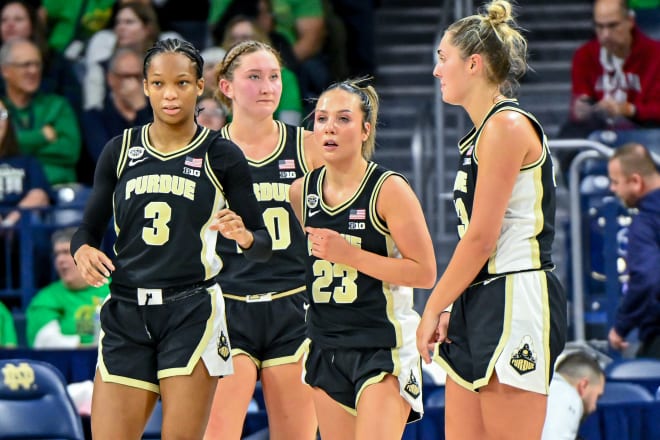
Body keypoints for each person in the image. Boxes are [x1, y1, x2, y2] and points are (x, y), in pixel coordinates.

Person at [70, 38, 272, 439]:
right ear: (146, 86)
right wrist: (82, 251)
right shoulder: (120, 150)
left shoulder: (221, 154)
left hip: (191, 310)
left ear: (200, 87)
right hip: (126, 310)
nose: (170, 94)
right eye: (159, 83)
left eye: (181, 83)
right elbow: (87, 229)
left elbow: (263, 242)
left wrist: (245, 236)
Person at [415, 2, 567, 439]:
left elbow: (481, 239)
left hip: (516, 294)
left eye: (443, 58)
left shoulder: (507, 127)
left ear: (474, 64)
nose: (436, 71)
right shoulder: (483, 133)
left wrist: (433, 305)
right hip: (479, 297)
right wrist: (453, 301)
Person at [289, 78, 437, 439]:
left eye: (343, 119)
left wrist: (349, 255)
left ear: (365, 128)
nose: (330, 128)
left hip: (380, 346)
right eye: (322, 119)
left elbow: (424, 272)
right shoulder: (300, 192)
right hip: (326, 344)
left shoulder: (389, 189)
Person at [204, 39, 321, 440]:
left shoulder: (310, 148)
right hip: (226, 306)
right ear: (227, 87)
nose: (267, 86)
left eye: (273, 77)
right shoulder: (202, 155)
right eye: (253, 77)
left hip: (294, 306)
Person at [559, 0, 660, 139]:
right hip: (599, 130)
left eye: (613, 26)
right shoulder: (584, 55)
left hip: (644, 129)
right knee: (570, 135)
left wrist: (627, 109)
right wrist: (581, 109)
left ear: (630, 21)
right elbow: (581, 100)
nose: (605, 34)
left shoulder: (655, 54)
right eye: (599, 26)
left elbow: (656, 109)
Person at [0, 38, 82, 185]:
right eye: (25, 65)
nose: (33, 71)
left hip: (58, 190)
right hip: (9, 194)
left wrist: (13, 149)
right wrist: (41, 136)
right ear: (5, 70)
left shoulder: (57, 105)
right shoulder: (1, 108)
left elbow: (70, 151)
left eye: (37, 64)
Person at [607, 142, 660, 359]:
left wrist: (621, 326)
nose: (613, 189)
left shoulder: (645, 224)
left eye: (615, 182)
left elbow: (646, 279)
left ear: (636, 181)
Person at [26, 227, 110, 348]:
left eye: (66, 252)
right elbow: (45, 341)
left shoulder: (115, 289)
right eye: (57, 254)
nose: (60, 259)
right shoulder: (46, 298)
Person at [0, 98, 50, 293]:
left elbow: (39, 194)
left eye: (2, 115)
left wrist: (11, 220)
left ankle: (33, 292)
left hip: (20, 225)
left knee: (33, 231)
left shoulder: (26, 161)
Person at [220, 16, 303, 126]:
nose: (238, 43)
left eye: (245, 37)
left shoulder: (285, 77)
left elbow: (290, 123)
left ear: (260, 40)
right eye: (233, 38)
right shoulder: (219, 76)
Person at [542, 351, 605, 440]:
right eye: (597, 396)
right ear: (583, 385)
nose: (594, 407)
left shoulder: (544, 388)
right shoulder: (567, 396)